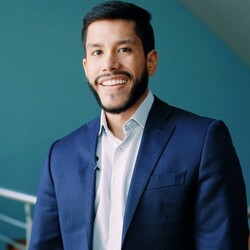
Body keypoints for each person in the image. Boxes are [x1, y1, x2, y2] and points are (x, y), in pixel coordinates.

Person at [29, 1, 249, 249]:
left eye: (123, 49)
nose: (109, 64)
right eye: (97, 52)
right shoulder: (60, 156)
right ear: (86, 67)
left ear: (151, 61)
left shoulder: (204, 140)